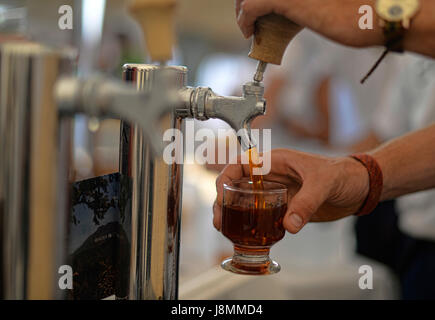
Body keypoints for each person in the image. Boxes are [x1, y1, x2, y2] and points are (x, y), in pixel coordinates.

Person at [214, 0, 435, 234]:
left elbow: (321, 125)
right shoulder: (407, 60)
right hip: (411, 220)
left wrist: (372, 19)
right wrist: (350, 172)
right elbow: (385, 132)